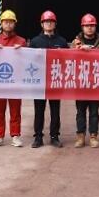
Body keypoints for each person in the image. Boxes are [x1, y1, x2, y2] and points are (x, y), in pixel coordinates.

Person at [29, 10, 68, 148]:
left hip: (55, 81)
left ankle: (54, 136)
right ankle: (38, 137)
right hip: (39, 82)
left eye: (51, 21)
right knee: (39, 111)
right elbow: (28, 61)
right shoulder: (35, 41)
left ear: (55, 24)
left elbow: (68, 60)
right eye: (46, 22)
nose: (49, 24)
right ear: (42, 24)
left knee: (55, 111)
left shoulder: (62, 41)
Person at [0, 9, 27, 148]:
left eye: (11, 22)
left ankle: (15, 135)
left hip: (15, 82)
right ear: (1, 23)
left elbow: (26, 61)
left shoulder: (21, 41)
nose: (8, 24)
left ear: (14, 24)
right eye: (6, 22)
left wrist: (21, 52)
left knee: (15, 111)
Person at [71, 13, 99, 148]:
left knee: (94, 112)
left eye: (92, 25)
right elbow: (69, 57)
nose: (89, 28)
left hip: (95, 82)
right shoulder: (76, 42)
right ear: (82, 27)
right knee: (80, 111)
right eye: (87, 25)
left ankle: (93, 136)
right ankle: (80, 136)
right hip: (81, 82)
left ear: (95, 27)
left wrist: (91, 51)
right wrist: (79, 49)